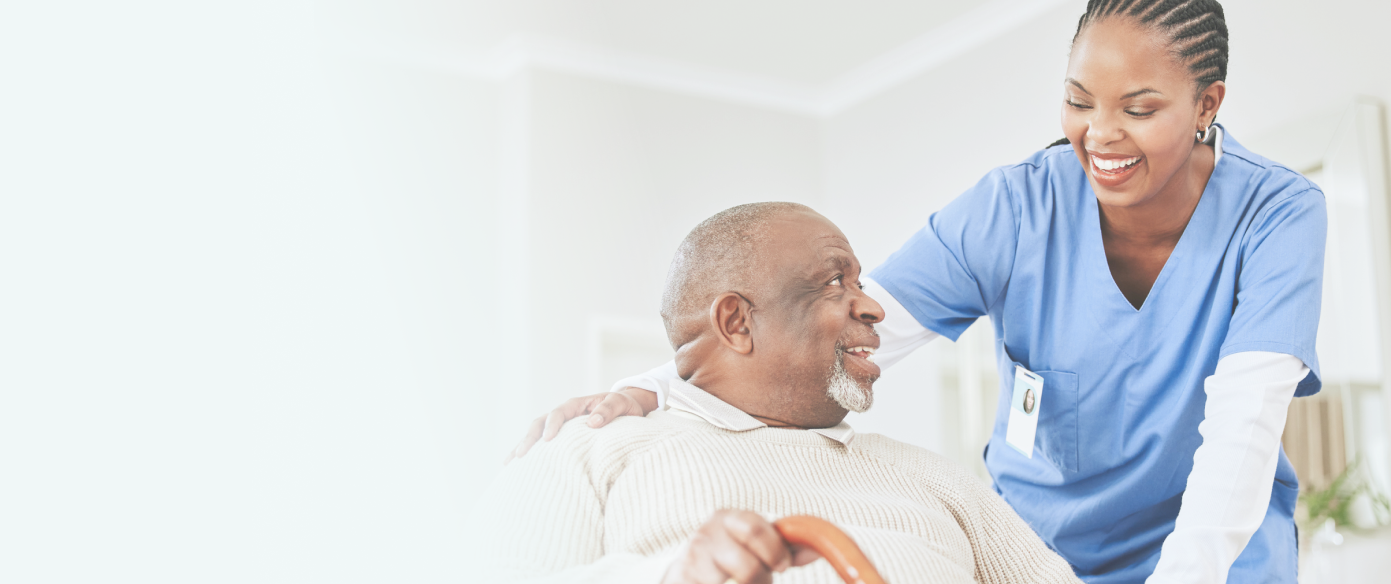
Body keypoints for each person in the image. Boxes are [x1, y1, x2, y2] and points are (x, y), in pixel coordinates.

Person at [511, 2, 1323, 583]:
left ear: (1207, 104)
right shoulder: (1018, 208)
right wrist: (638, 391)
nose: (1100, 135)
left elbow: (1243, 431)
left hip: (1214, 551)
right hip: (1046, 535)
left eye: (1138, 109)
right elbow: (856, 331)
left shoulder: (1276, 215)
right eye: (1078, 103)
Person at [474, 203, 1080, 584]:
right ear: (737, 323)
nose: (872, 306)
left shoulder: (937, 480)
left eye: (861, 282)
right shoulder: (588, 449)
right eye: (834, 283)